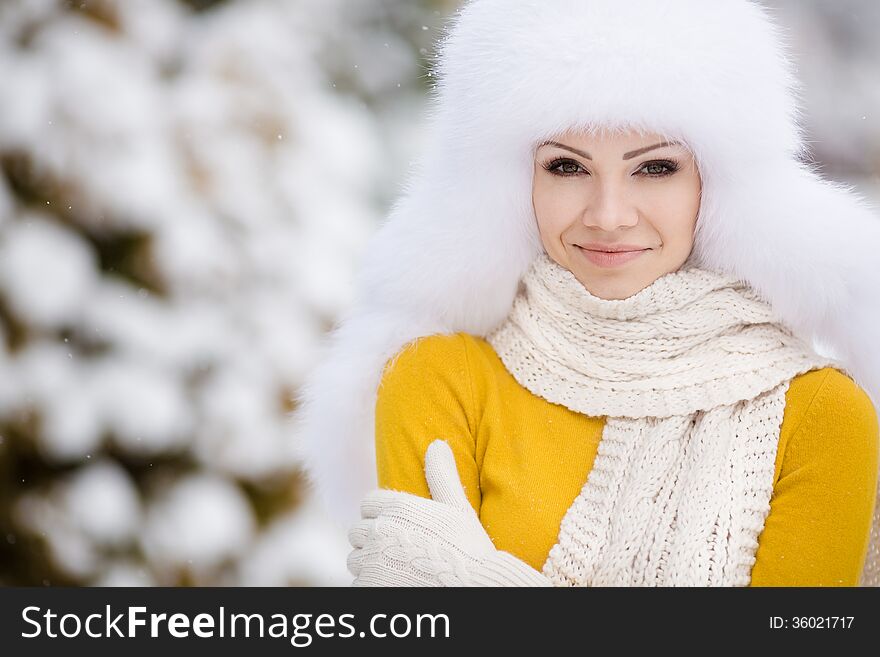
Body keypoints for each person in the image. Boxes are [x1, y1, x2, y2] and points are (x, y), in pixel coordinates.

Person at [291, 0, 880, 586]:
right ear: (512, 184)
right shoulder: (440, 381)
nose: (608, 215)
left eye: (655, 169)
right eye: (567, 168)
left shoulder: (821, 417)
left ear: (720, 185)